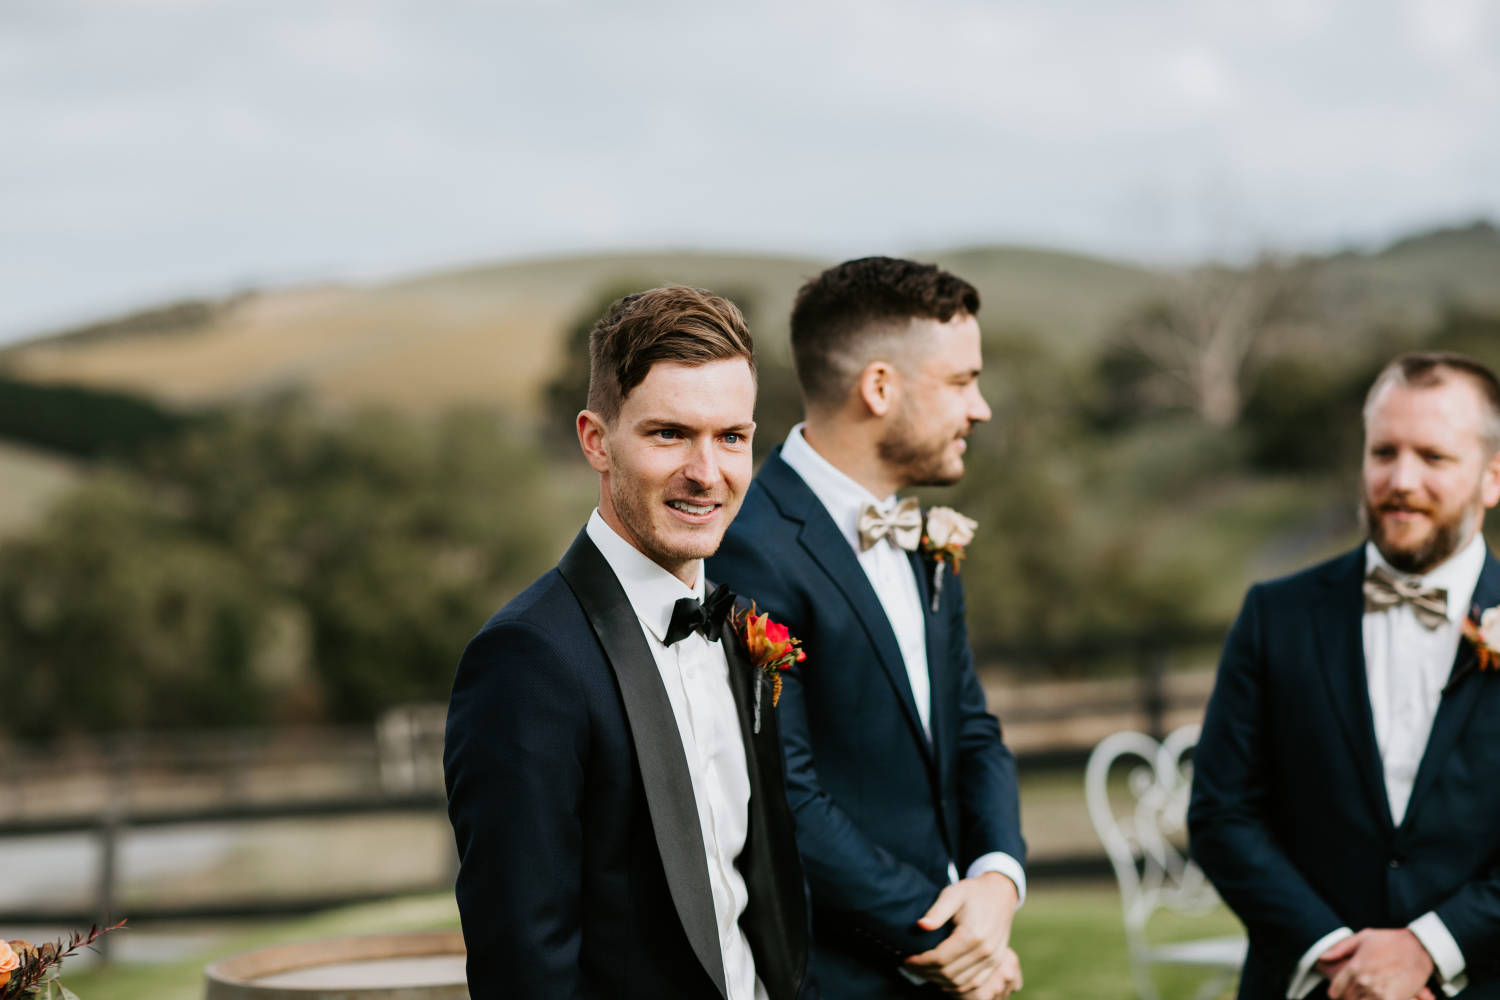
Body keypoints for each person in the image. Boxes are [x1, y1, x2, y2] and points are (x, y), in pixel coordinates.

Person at [443, 286, 810, 999]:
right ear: (595, 440)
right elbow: (525, 970)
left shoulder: (740, 631)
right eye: (669, 434)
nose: (708, 473)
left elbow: (757, 899)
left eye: (731, 437)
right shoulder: (526, 662)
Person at [708, 257, 1026, 999]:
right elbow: (783, 798)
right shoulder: (749, 548)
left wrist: (996, 882)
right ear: (879, 387)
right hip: (835, 978)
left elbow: (973, 732)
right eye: (960, 382)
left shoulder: (922, 539)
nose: (979, 408)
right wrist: (949, 938)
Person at [1190, 352, 1500, 1000]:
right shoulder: (1275, 616)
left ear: (1492, 477)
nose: (1401, 479)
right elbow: (1222, 814)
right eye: (1383, 452)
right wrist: (1338, 960)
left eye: (1433, 457)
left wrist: (1429, 947)